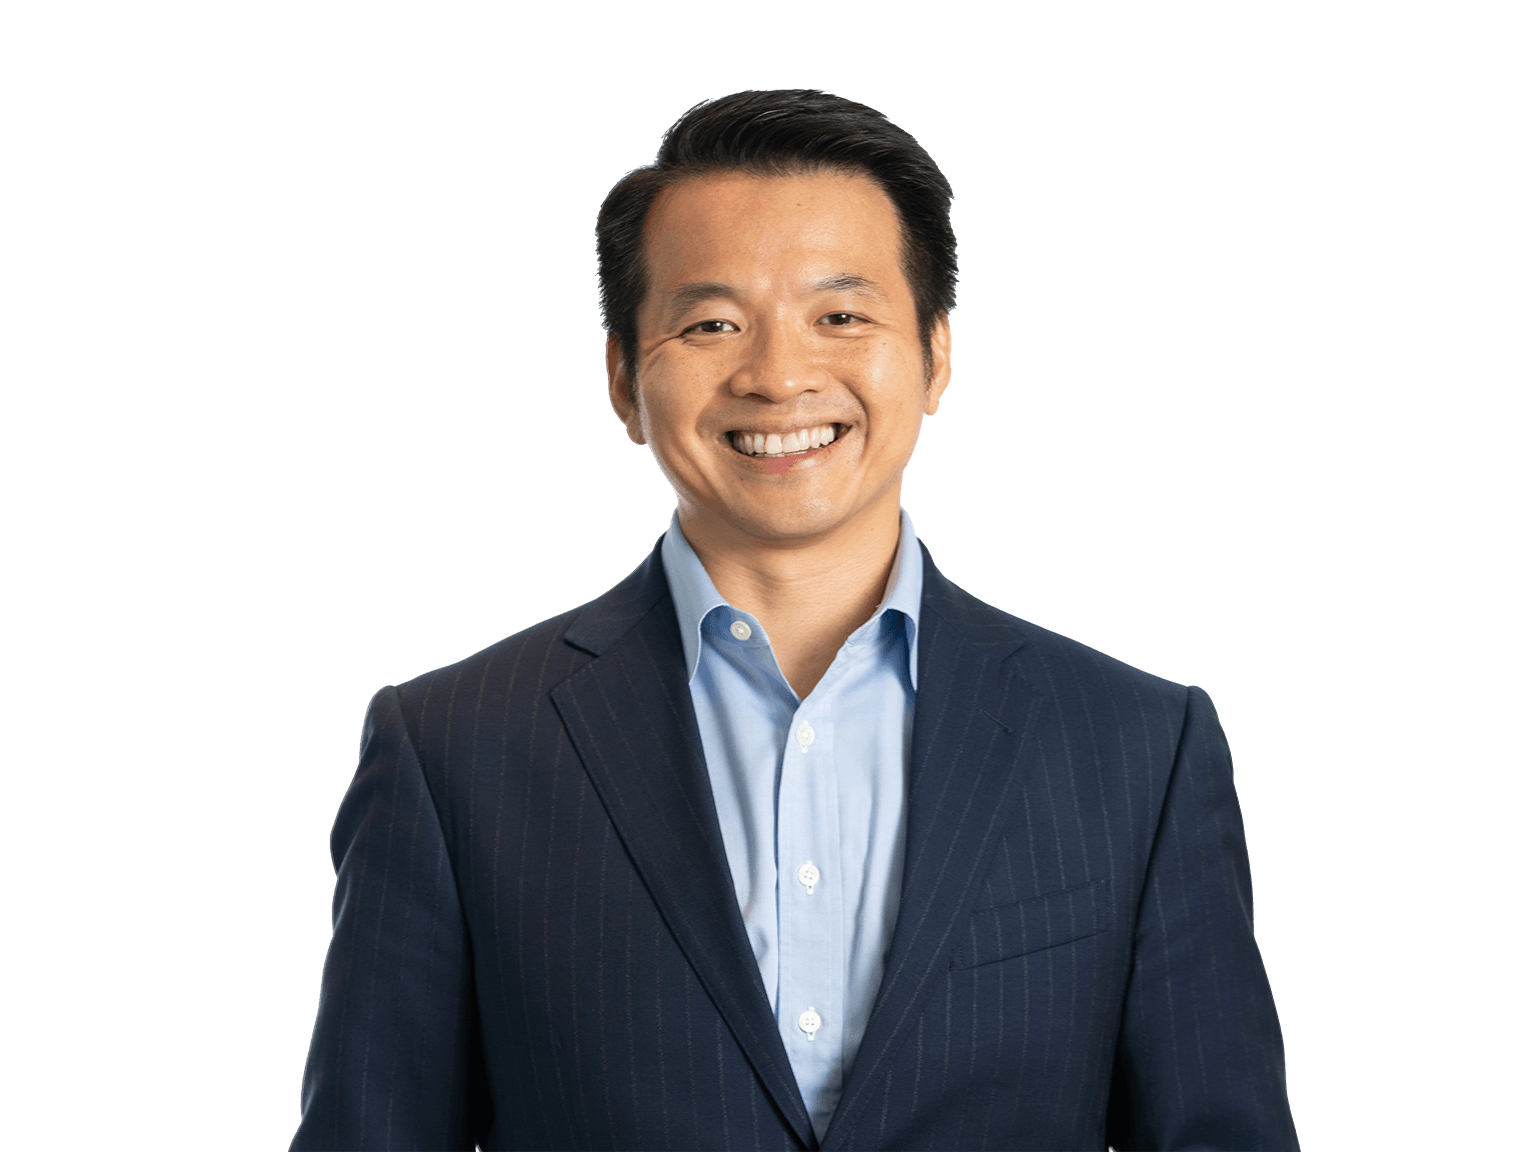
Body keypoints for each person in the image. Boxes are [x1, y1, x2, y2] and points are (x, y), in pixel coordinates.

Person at [291, 89, 1297, 1152]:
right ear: (623, 381)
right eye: (711, 323)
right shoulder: (449, 748)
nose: (777, 376)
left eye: (840, 316)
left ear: (937, 356)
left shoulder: (1138, 745)